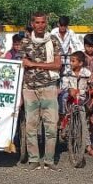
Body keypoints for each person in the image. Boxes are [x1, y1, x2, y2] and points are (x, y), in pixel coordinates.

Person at [22, 11, 62, 171]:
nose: (40, 25)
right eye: (37, 22)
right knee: (31, 126)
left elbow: (57, 65)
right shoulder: (25, 41)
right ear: (32, 24)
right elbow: (22, 63)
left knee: (51, 126)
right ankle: (33, 159)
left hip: (49, 86)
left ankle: (49, 160)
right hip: (30, 88)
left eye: (43, 22)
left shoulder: (53, 40)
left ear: (46, 23)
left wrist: (34, 64)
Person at [61, 50, 93, 165]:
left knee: (83, 120)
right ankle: (64, 124)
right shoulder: (67, 72)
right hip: (70, 98)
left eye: (73, 61)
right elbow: (64, 85)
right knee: (64, 104)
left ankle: (88, 146)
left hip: (82, 99)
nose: (71, 63)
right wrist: (70, 90)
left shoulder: (86, 72)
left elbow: (91, 82)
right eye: (70, 61)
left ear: (80, 63)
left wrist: (92, 80)